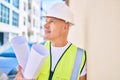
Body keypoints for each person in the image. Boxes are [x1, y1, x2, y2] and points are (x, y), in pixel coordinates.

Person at [14, 2, 87, 80]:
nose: (45, 25)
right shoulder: (38, 52)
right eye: (46, 21)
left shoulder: (80, 56)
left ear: (66, 26)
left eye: (51, 21)